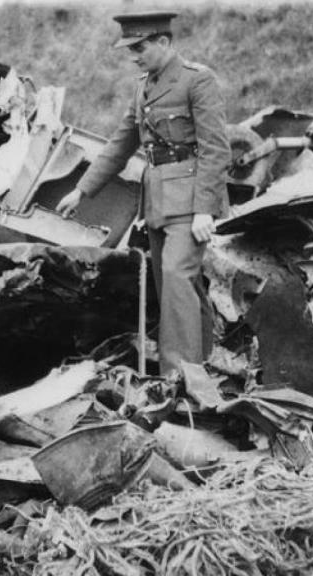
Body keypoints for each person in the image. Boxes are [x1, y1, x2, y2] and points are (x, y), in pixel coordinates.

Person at [56, 11, 230, 377]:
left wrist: (205, 211)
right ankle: (205, 365)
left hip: (190, 200)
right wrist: (82, 190)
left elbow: (216, 149)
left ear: (164, 42)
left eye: (140, 47)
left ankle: (177, 377)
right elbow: (120, 145)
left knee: (177, 277)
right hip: (156, 202)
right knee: (176, 285)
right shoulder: (142, 87)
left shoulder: (197, 81)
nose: (133, 55)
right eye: (130, 48)